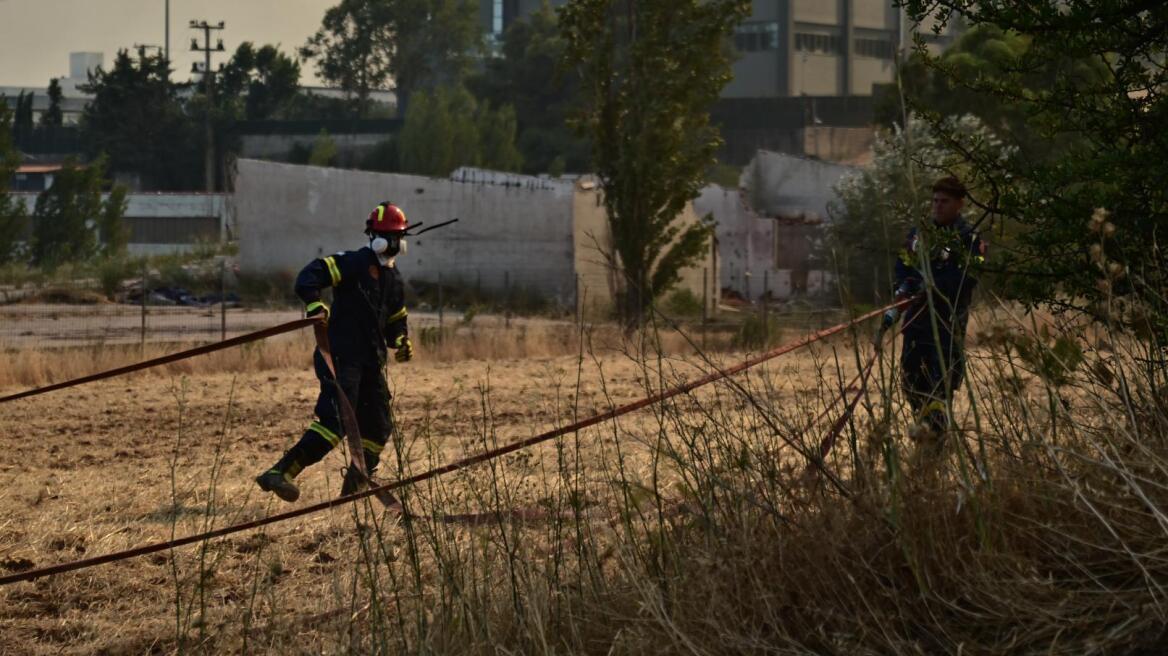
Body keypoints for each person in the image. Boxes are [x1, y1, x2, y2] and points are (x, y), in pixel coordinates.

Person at [256, 202, 415, 502]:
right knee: (336, 421)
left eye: (398, 237)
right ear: (375, 237)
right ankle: (280, 473)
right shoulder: (352, 263)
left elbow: (396, 319)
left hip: (371, 362)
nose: (394, 243)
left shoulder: (394, 279)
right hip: (342, 356)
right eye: (389, 237)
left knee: (379, 426)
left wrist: (401, 341)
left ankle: (354, 489)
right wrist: (315, 303)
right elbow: (310, 275)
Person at [883, 176, 986, 444]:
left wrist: (929, 288)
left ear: (959, 204)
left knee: (940, 389)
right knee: (910, 383)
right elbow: (902, 266)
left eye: (945, 201)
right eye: (935, 201)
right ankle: (929, 433)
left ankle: (936, 441)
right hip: (915, 325)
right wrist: (904, 290)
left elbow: (967, 277)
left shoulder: (970, 239)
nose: (938, 206)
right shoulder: (918, 235)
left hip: (947, 326)